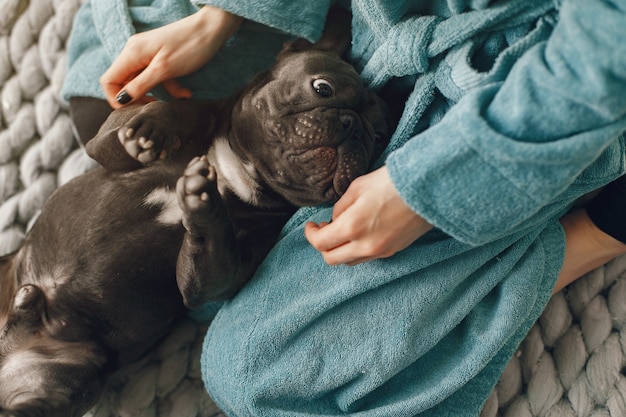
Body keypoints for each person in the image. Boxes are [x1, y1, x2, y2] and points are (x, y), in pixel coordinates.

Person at [62, 0, 626, 415]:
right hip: (361, 27)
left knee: (253, 372)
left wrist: (428, 190)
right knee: (100, 95)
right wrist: (228, 16)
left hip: (522, 88)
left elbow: (601, 55)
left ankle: (589, 235)